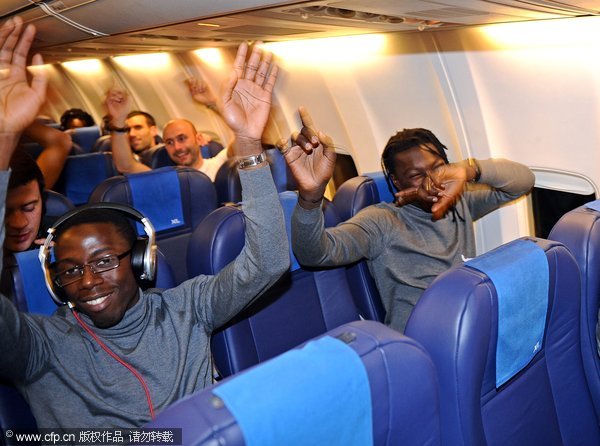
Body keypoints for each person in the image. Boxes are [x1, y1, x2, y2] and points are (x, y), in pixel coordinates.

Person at [0, 17, 288, 432]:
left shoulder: (187, 308)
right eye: (70, 270)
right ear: (54, 281)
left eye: (102, 261)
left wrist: (247, 142)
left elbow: (270, 262)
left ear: (140, 260)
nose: (87, 281)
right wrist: (5, 141)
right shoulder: (40, 347)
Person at [285, 107, 535, 332]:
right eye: (416, 175)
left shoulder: (461, 201)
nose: (433, 181)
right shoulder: (381, 221)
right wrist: (310, 197)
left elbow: (523, 182)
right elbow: (315, 253)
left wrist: (469, 170)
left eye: (438, 167)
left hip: (471, 322)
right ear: (396, 182)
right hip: (421, 339)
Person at [105, 88, 231, 179]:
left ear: (198, 139)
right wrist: (118, 121)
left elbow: (243, 136)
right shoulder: (166, 178)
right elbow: (125, 166)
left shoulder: (218, 164)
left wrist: (213, 103)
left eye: (182, 138)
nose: (177, 148)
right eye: (169, 142)